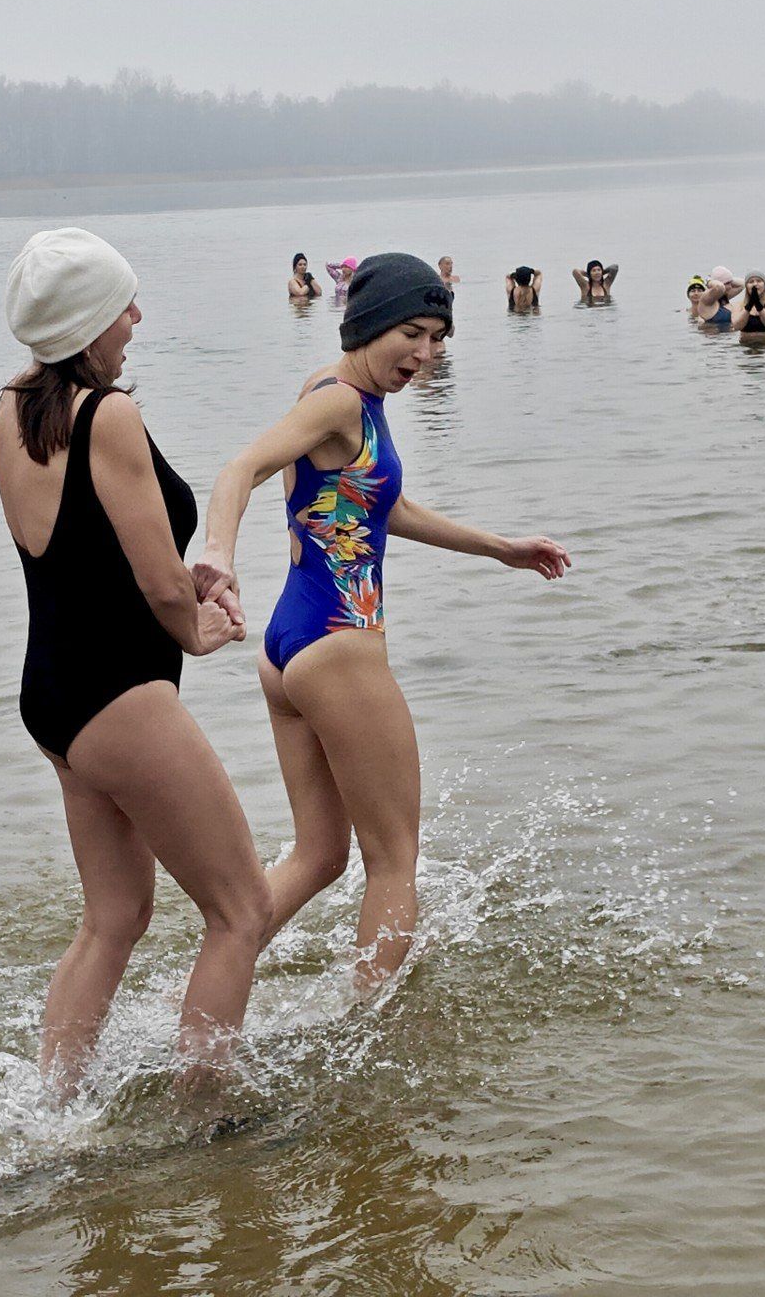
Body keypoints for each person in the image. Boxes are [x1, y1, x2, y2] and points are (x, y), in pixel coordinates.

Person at [195, 254, 570, 993]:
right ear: (368, 323)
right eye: (411, 333)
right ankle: (366, 1035)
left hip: (291, 648)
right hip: (338, 647)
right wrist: (216, 555)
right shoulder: (337, 402)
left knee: (320, 855)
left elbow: (381, 509)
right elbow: (240, 469)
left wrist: (501, 549)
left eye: (438, 338)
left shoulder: (345, 400)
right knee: (395, 861)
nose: (425, 355)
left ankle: (211, 980)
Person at [0, 228, 271, 1097]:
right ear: (85, 324)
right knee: (242, 911)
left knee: (115, 918)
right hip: (121, 697)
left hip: (55, 697)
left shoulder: (13, 405)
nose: (137, 319)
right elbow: (156, 587)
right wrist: (198, 629)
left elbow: (72, 551)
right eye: (123, 307)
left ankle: (53, 1110)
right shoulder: (108, 414)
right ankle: (205, 1118)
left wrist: (173, 587)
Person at [730, 270, 765, 343]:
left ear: (764, 285)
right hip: (745, 348)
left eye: (759, 281)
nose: (755, 284)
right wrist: (749, 306)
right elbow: (737, 326)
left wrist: (759, 306)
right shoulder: (738, 305)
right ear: (746, 286)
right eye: (751, 282)